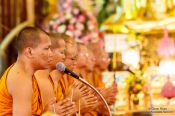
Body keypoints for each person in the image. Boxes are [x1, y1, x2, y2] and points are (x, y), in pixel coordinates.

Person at [0, 27, 52, 116]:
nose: (51, 54)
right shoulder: (20, 79)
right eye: (46, 48)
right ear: (29, 51)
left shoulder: (27, 74)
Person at [35, 33, 77, 115]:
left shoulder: (47, 79)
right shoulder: (41, 80)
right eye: (62, 52)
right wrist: (71, 101)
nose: (64, 57)